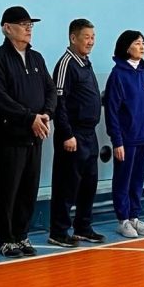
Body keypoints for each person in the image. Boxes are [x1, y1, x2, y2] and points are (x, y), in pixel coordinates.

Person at [0, 6, 56, 258]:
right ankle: (6, 239)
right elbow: (0, 97)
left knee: (29, 187)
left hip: (36, 135)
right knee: (9, 188)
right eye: (23, 24)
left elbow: (50, 89)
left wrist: (46, 114)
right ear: (7, 28)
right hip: (11, 136)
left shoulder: (36, 58)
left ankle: (21, 234)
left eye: (30, 25)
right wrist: (29, 118)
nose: (28, 29)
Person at [48, 19, 104, 247]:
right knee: (67, 184)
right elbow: (59, 102)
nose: (91, 41)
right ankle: (59, 231)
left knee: (89, 182)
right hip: (73, 134)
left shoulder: (86, 63)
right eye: (86, 37)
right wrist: (66, 134)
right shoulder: (66, 64)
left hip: (90, 134)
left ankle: (83, 227)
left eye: (93, 37)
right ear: (73, 38)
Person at [105, 30, 144, 238]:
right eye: (137, 43)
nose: (142, 46)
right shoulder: (118, 74)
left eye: (143, 42)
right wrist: (117, 141)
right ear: (127, 47)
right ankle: (123, 219)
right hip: (127, 139)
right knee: (123, 179)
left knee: (138, 179)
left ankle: (135, 216)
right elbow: (112, 110)